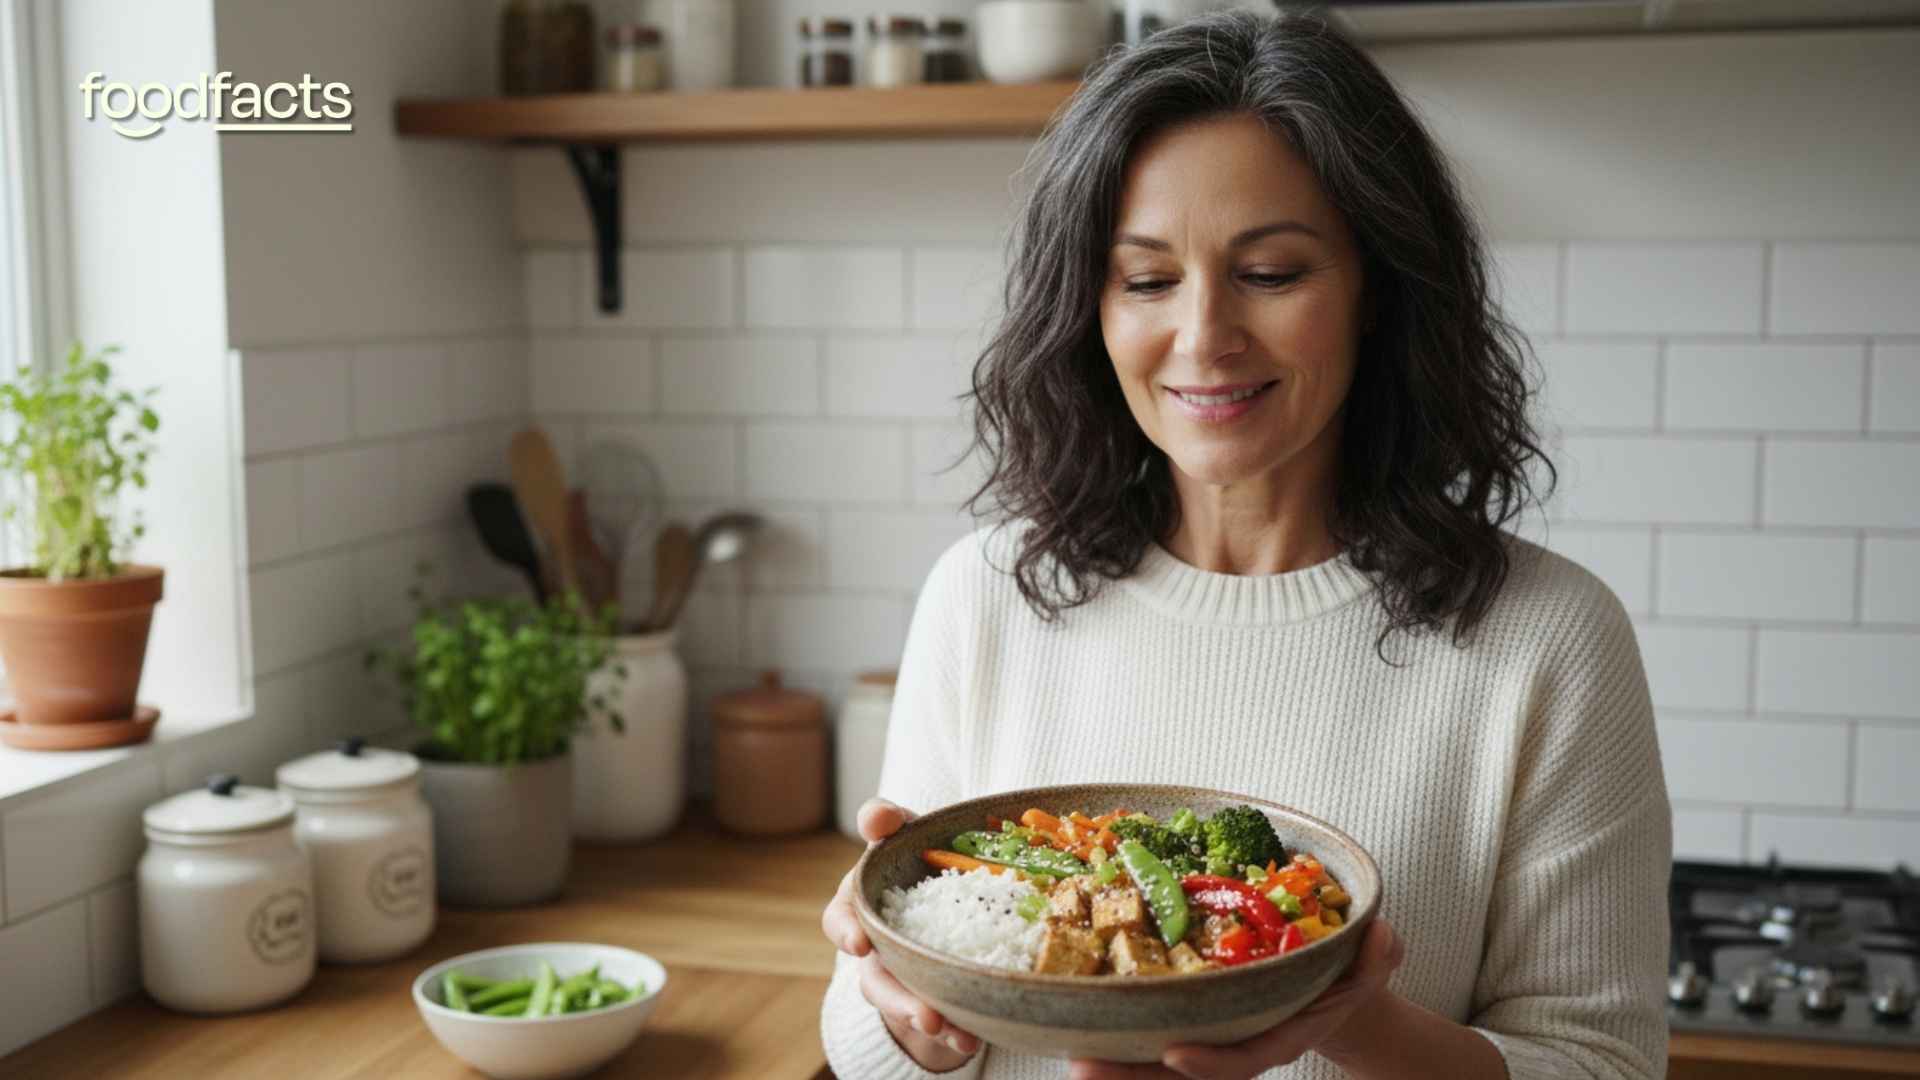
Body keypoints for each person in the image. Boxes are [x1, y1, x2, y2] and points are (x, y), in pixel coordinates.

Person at [819, 10, 1670, 1079]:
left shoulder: (1548, 640)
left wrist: (1349, 1019)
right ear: (1089, 311)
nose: (1205, 335)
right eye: (1145, 279)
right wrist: (908, 1014)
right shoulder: (982, 598)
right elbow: (864, 1039)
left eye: (1270, 273)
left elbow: (1605, 1066)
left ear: (1378, 292)